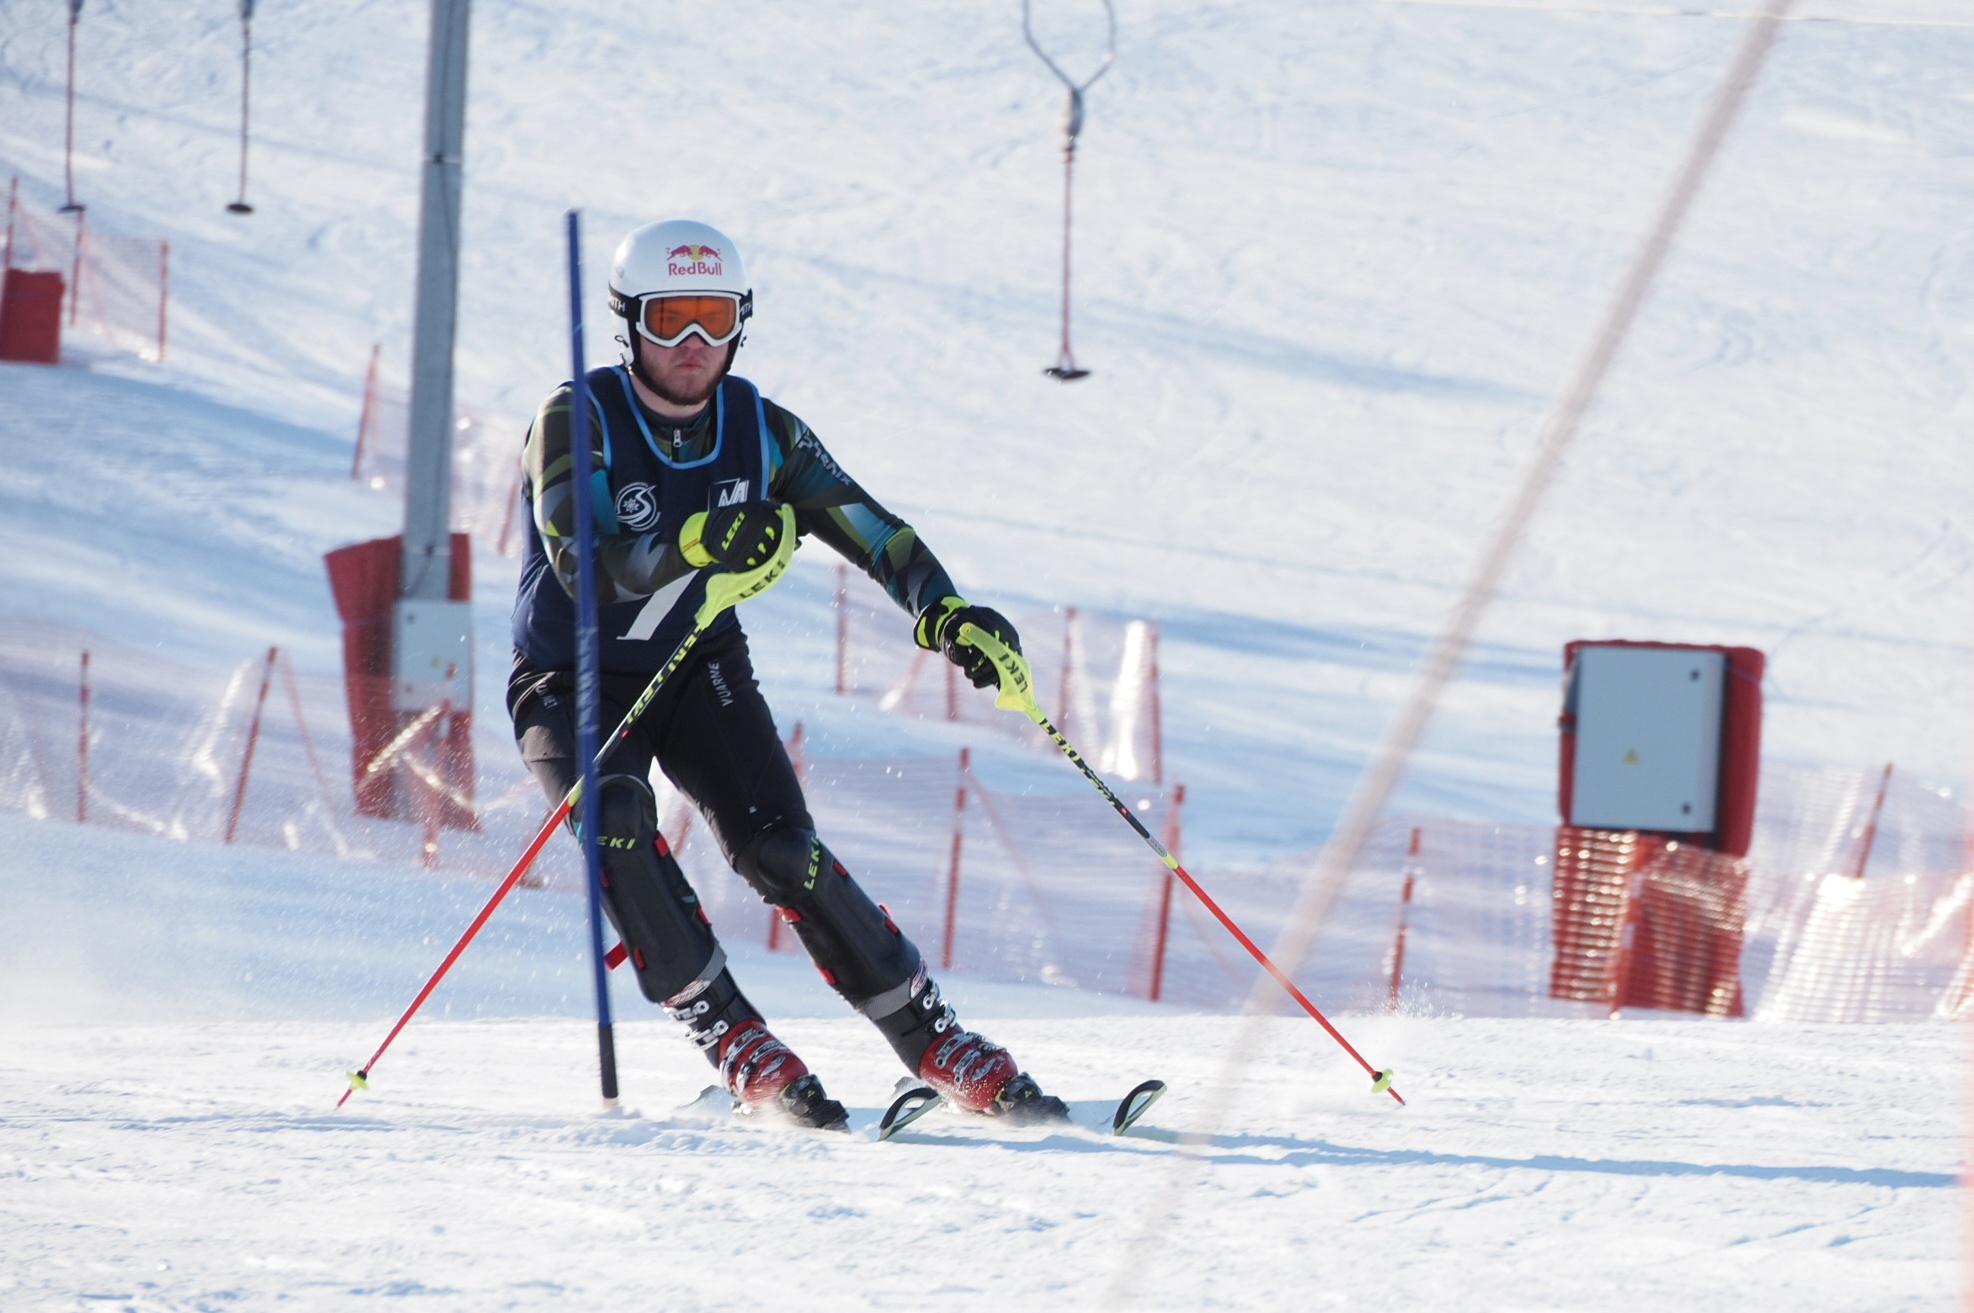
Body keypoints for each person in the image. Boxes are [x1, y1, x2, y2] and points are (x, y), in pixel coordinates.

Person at [508, 218, 1064, 1130]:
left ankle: (932, 1036)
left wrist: (948, 611)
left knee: (782, 851)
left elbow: (872, 530)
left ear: (740, 323)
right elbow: (581, 555)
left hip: (693, 662)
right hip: (573, 672)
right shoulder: (575, 415)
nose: (694, 345)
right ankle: (732, 1034)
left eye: (714, 319)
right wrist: (691, 543)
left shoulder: (761, 431)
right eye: (671, 319)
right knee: (612, 816)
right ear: (630, 323)